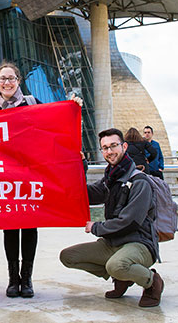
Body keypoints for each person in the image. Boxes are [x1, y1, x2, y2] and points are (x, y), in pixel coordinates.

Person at [0, 61, 82, 299]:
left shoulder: (32, 103)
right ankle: (13, 278)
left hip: (30, 176)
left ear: (18, 81)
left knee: (29, 225)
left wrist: (72, 107)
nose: (7, 83)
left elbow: (53, 125)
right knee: (9, 228)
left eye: (11, 78)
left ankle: (26, 278)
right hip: (5, 179)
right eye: (2, 79)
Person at [59, 128, 164, 308]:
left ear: (124, 146)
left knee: (116, 265)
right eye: (105, 148)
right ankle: (122, 278)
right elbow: (88, 194)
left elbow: (130, 221)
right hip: (113, 242)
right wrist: (79, 166)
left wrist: (96, 227)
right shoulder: (111, 177)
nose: (109, 151)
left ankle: (152, 281)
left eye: (113, 146)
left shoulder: (140, 182)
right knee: (68, 257)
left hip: (139, 243)